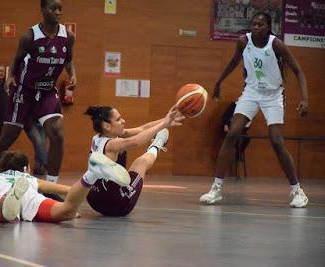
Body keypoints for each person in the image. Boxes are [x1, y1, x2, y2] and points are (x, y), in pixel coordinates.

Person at [199, 12, 309, 208]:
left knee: (276, 141)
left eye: (260, 24)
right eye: (254, 24)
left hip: (273, 95)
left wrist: (305, 99)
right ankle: (216, 188)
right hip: (251, 92)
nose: (256, 27)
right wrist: (218, 82)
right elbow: (234, 61)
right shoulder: (243, 41)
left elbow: (298, 71)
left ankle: (297, 190)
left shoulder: (276, 45)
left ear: (268, 26)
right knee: (232, 132)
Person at [0, 0, 76, 186]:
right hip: (24, 91)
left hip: (47, 92)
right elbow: (17, 59)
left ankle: (51, 185)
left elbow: (68, 61)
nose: (58, 12)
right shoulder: (29, 36)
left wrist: (73, 74)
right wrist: (11, 76)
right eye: (54, 9)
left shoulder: (67, 36)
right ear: (43, 10)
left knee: (57, 133)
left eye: (61, 9)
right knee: (7, 138)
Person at [0, 150, 130, 223]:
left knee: (0, 215)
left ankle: (8, 204)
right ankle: (91, 175)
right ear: (26, 168)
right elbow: (67, 190)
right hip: (32, 199)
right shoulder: (29, 178)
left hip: (3, 194)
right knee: (66, 211)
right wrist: (82, 203)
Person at [84, 105, 185, 216]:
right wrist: (164, 124)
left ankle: (157, 143)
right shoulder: (111, 144)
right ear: (107, 126)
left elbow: (142, 129)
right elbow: (135, 142)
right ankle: (157, 144)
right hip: (117, 204)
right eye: (118, 119)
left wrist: (167, 119)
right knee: (141, 163)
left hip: (94, 199)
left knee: (127, 171)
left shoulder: (98, 138)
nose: (123, 121)